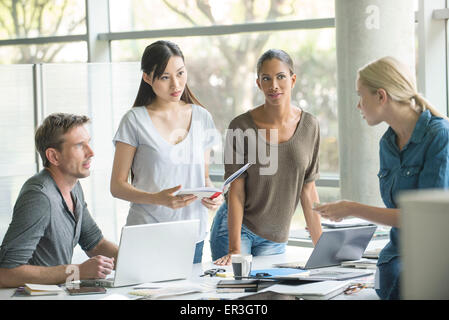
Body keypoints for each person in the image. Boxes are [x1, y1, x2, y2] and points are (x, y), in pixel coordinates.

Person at [313, 56, 449, 300]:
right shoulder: (387, 143)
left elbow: (422, 220)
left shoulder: (440, 137)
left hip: (430, 263)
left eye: (360, 96)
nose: (358, 106)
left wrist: (350, 208)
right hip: (394, 262)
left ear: (381, 96)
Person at [110, 40, 222, 264]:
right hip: (147, 232)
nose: (176, 84)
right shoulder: (134, 120)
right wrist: (156, 199)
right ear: (147, 78)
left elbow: (204, 177)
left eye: (180, 73)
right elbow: (117, 186)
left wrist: (212, 197)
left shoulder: (202, 117)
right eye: (164, 77)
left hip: (192, 234)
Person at [211, 49, 323, 266]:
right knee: (236, 294)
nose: (274, 85)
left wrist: (322, 250)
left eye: (281, 77)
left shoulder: (310, 126)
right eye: (266, 78)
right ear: (258, 83)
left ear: (293, 79)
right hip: (236, 230)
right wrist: (234, 249)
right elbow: (236, 191)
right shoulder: (241, 126)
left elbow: (308, 189)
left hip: (275, 236)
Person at [0, 113, 118, 288]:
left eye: (88, 143)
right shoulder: (39, 197)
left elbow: (95, 243)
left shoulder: (73, 187)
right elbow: (6, 273)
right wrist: (77, 271)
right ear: (54, 156)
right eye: (79, 146)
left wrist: (137, 261)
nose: (91, 152)